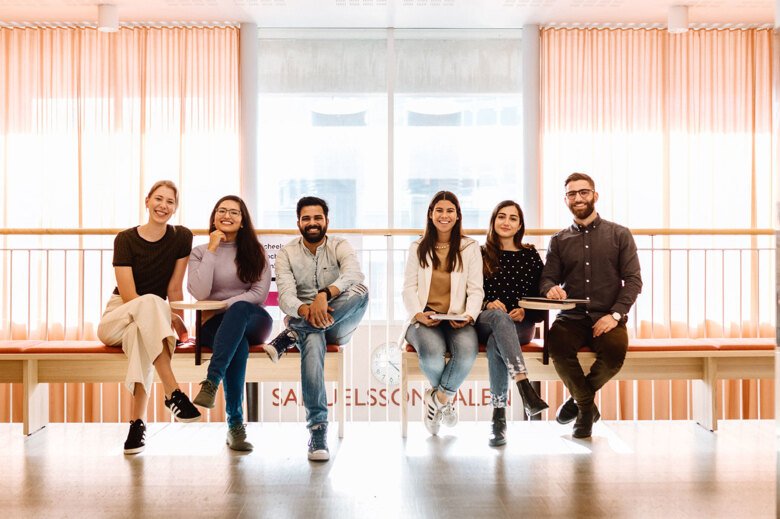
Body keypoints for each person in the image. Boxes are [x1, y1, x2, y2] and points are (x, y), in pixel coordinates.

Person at [97, 180, 201, 455]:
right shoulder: (126, 239)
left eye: (170, 201)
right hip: (118, 315)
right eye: (158, 199)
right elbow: (131, 296)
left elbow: (174, 288)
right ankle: (173, 392)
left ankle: (137, 426)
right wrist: (168, 316)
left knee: (142, 340)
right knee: (150, 306)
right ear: (147, 201)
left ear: (175, 208)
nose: (163, 206)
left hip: (150, 319)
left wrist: (177, 320)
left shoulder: (181, 237)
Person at [264, 196, 368, 461]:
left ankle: (293, 333)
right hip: (307, 317)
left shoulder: (339, 245)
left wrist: (324, 294)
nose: (312, 223)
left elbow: (354, 276)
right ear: (298, 222)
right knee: (312, 340)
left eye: (317, 218)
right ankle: (318, 430)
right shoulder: (287, 253)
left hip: (339, 323)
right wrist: (305, 310)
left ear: (326, 221)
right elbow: (286, 296)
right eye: (306, 218)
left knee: (361, 291)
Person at [540, 172, 642, 438]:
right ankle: (587, 409)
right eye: (572, 194)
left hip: (608, 315)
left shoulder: (620, 235)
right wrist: (550, 288)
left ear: (595, 196)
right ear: (566, 200)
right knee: (557, 347)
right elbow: (548, 278)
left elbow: (633, 281)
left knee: (613, 354)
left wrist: (615, 315)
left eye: (583, 192)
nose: (578, 198)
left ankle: (577, 401)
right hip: (571, 318)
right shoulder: (558, 240)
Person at [188, 195, 272, 452]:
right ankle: (236, 426)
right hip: (214, 327)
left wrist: (228, 305)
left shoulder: (255, 251)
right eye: (221, 211)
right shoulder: (200, 252)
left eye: (234, 212)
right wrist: (212, 249)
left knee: (239, 311)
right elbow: (199, 292)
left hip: (253, 319)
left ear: (243, 220)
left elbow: (259, 294)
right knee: (239, 347)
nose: (227, 215)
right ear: (214, 217)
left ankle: (212, 380)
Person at [401, 191, 483, 436]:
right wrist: (417, 314)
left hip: (459, 318)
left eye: (450, 211)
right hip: (425, 317)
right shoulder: (417, 247)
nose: (444, 215)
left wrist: (469, 315)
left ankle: (437, 399)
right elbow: (408, 288)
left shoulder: (470, 247)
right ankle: (445, 401)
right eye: (439, 210)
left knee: (468, 352)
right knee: (431, 355)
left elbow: (476, 289)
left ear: (458, 216)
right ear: (430, 214)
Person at [476, 200, 549, 447]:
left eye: (513, 218)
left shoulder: (530, 256)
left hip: (520, 326)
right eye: (501, 217)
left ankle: (498, 417)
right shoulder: (479, 253)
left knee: (499, 339)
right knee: (498, 319)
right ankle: (525, 388)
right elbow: (467, 293)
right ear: (493, 221)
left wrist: (525, 311)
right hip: (485, 320)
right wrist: (486, 303)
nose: (506, 222)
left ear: (520, 225)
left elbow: (540, 298)